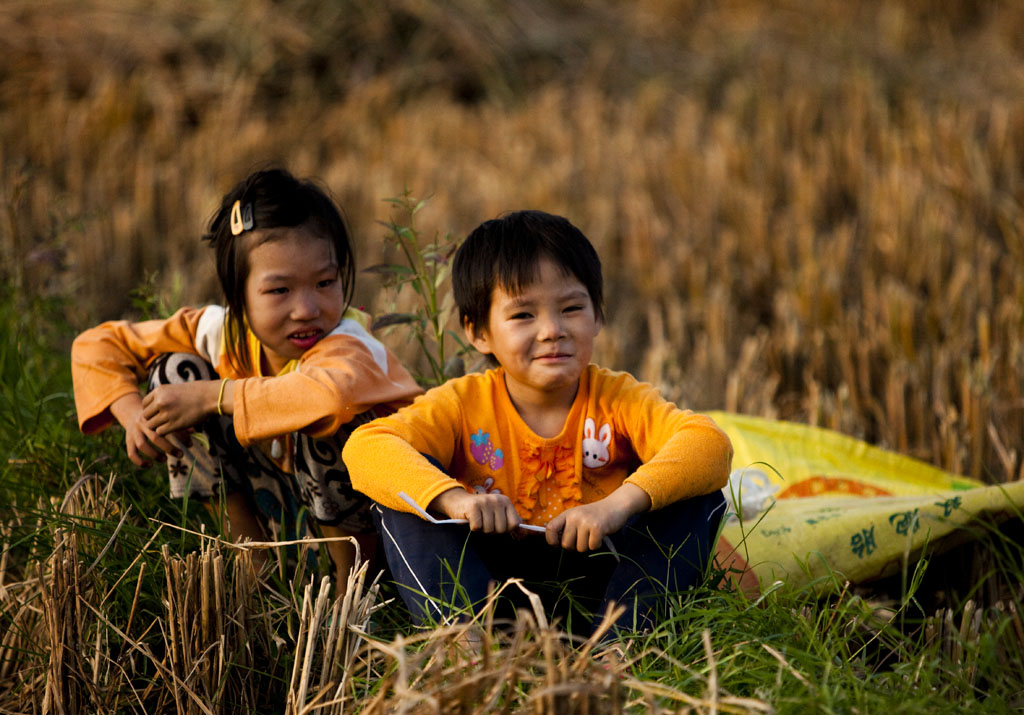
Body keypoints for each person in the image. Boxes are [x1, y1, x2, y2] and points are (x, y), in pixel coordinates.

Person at [343, 209, 732, 633]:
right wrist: (456, 500)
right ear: (478, 332)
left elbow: (709, 444)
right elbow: (366, 447)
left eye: (571, 308)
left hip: (602, 587)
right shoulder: (462, 403)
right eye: (523, 315)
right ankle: (466, 646)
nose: (552, 330)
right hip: (489, 588)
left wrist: (615, 506)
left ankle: (620, 648)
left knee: (697, 498)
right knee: (406, 499)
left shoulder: (618, 399)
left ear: (597, 316)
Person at [71, 168, 422, 592]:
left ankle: (358, 589)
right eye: (280, 291)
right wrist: (132, 414)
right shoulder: (221, 332)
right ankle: (250, 559)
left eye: (325, 282)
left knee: (320, 415)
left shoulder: (349, 345)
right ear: (237, 294)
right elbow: (96, 346)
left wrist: (213, 395)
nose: (307, 308)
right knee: (174, 372)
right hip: (292, 514)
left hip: (383, 530)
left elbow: (327, 397)